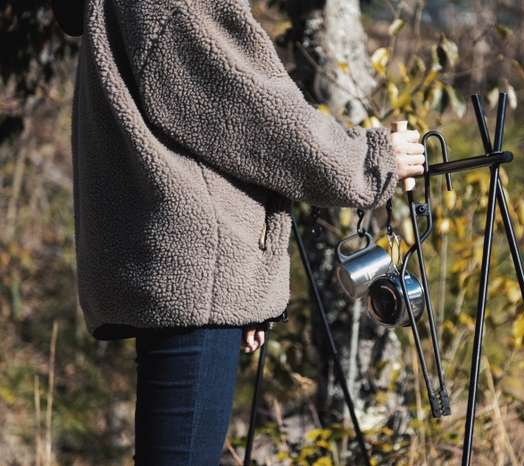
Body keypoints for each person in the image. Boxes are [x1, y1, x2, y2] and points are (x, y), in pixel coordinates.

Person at [65, 0, 425, 464]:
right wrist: (368, 161)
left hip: (183, 269)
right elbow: (252, 113)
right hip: (192, 273)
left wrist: (241, 279)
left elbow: (206, 131)